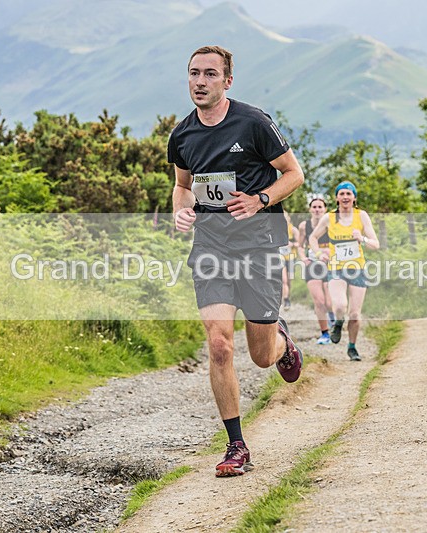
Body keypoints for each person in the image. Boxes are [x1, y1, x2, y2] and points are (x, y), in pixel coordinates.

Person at [168, 45, 305, 477]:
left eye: (210, 74)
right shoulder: (182, 136)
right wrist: (182, 209)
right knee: (219, 343)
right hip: (211, 248)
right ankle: (236, 445)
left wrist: (261, 199)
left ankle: (282, 343)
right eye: (194, 73)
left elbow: (293, 175)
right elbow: (182, 187)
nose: (200, 81)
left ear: (228, 80)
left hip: (260, 245)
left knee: (261, 355)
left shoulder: (253, 122)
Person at [308, 181, 379, 361]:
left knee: (355, 314)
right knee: (339, 306)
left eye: (349, 194)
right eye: (342, 194)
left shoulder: (361, 216)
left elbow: (375, 244)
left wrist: (361, 238)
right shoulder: (329, 218)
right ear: (337, 198)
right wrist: (318, 253)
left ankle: (352, 347)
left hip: (357, 269)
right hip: (336, 268)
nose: (345, 197)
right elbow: (313, 237)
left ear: (354, 197)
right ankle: (338, 323)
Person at [297, 196, 335, 344]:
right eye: (314, 207)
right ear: (310, 209)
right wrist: (303, 258)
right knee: (319, 301)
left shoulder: (331, 224)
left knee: (329, 302)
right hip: (312, 264)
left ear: (325, 209)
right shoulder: (303, 226)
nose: (317, 210)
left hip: (330, 264)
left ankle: (332, 317)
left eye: (320, 207)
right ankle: (325, 334)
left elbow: (338, 243)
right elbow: (300, 246)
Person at [280, 211, 299, 310]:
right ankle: (286, 299)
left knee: (289, 280)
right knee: (284, 280)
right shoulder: (277, 230)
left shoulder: (293, 230)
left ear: (288, 218)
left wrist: (292, 244)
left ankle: (288, 296)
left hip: (291, 257)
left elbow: (300, 244)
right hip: (281, 257)